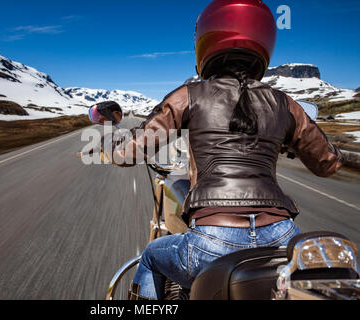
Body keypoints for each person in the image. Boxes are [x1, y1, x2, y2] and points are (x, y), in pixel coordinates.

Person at [105, 0, 344, 300]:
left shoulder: (190, 95)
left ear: (206, 39)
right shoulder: (284, 103)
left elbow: (131, 151)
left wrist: (112, 148)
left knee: (153, 255)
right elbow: (327, 162)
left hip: (213, 240)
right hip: (281, 235)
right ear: (264, 40)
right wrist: (291, 141)